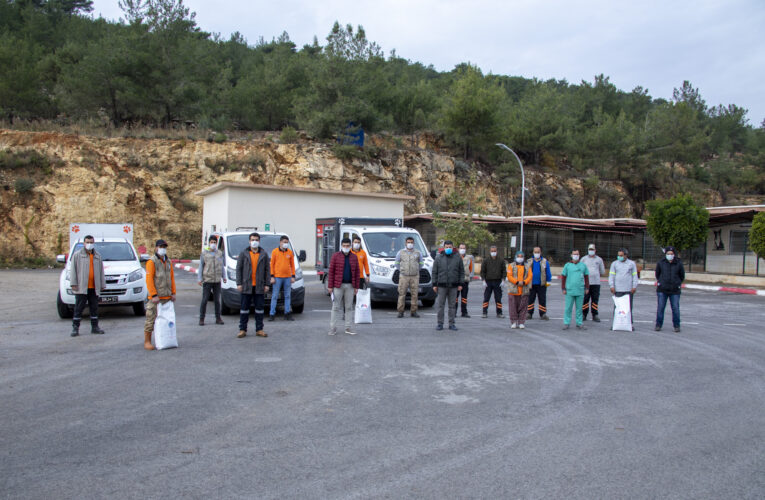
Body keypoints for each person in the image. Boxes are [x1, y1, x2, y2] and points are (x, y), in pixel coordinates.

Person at [70, 234, 106, 337]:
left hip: (94, 287)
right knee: (79, 308)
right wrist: (73, 283)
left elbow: (101, 271)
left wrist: (102, 284)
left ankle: (95, 327)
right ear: (84, 243)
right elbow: (73, 271)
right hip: (82, 287)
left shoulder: (97, 256)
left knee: (94, 308)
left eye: (91, 242)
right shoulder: (77, 255)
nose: (89, 244)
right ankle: (75, 328)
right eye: (87, 242)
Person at [236, 232, 271, 339]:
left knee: (260, 309)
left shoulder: (264, 254)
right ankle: (242, 330)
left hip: (259, 286)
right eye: (252, 240)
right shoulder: (243, 253)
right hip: (246, 286)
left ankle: (259, 329)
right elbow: (239, 269)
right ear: (249, 241)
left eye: (256, 240)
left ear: (259, 241)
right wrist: (239, 283)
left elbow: (267, 270)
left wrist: (267, 284)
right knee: (244, 309)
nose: (254, 242)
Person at [144, 239, 176, 350]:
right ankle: (147, 341)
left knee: (167, 321)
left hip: (167, 297)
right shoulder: (152, 262)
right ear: (156, 248)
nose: (163, 249)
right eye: (161, 246)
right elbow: (149, 280)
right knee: (151, 319)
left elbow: (171, 278)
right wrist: (153, 295)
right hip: (156, 298)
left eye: (164, 247)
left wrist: (173, 292)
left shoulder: (168, 262)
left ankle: (165, 339)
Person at [327, 238, 360, 335]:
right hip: (338, 286)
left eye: (347, 246)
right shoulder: (335, 256)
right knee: (335, 307)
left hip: (350, 285)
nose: (346, 247)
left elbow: (357, 273)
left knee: (349, 307)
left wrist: (356, 287)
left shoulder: (354, 257)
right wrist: (330, 286)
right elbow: (331, 271)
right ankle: (333, 328)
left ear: (350, 246)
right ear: (341, 246)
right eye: (344, 245)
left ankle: (348, 328)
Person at [432, 240, 463, 331]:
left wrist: (460, 283)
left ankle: (451, 324)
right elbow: (434, 272)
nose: (448, 249)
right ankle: (440, 323)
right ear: (444, 247)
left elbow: (461, 272)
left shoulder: (457, 257)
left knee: (452, 306)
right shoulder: (438, 258)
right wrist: (434, 284)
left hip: (453, 286)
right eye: (447, 247)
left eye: (450, 247)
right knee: (440, 305)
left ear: (453, 247)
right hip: (441, 286)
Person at [654, 246, 685, 332]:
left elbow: (682, 275)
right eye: (668, 254)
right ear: (665, 254)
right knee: (660, 308)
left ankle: (676, 325)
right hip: (662, 290)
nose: (670, 255)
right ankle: (658, 325)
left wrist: (677, 283)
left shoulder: (678, 263)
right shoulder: (661, 263)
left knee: (675, 308)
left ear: (674, 254)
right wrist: (662, 282)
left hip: (675, 290)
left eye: (671, 254)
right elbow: (657, 274)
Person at [197, 235, 226, 326]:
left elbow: (221, 266)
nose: (213, 244)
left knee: (217, 300)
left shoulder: (219, 253)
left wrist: (224, 276)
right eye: (212, 242)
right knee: (205, 300)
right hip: (207, 279)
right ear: (209, 243)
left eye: (215, 242)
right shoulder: (204, 253)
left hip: (217, 280)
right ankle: (202, 318)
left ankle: (218, 318)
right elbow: (201, 266)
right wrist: (200, 278)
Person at [609, 248, 639, 331]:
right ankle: (615, 323)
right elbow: (611, 276)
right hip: (617, 289)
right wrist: (611, 286)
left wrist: (634, 286)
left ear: (626, 255)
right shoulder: (614, 264)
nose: (619, 257)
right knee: (617, 308)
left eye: (621, 255)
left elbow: (634, 276)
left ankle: (629, 324)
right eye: (618, 255)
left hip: (628, 290)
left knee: (628, 308)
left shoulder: (631, 264)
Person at [394, 236, 424, 318]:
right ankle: (400, 311)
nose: (410, 244)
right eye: (408, 242)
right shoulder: (400, 252)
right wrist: (402, 270)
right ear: (405, 243)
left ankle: (413, 311)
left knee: (415, 294)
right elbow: (396, 263)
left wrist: (417, 270)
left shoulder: (418, 253)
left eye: (411, 242)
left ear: (414, 243)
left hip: (415, 276)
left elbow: (421, 263)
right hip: (404, 276)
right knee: (402, 294)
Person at [561, 249, 590, 330]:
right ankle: (566, 323)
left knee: (579, 308)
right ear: (571, 255)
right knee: (568, 308)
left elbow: (586, 277)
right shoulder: (567, 265)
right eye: (574, 254)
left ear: (579, 255)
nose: (576, 256)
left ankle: (579, 323)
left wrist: (587, 287)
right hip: (569, 290)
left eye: (577, 254)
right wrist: (563, 288)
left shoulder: (583, 265)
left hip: (580, 290)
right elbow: (563, 277)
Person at [269, 235, 295, 322]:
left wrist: (293, 276)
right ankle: (272, 314)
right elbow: (272, 265)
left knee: (287, 296)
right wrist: (272, 276)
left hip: (287, 277)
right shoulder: (275, 252)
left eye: (287, 242)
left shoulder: (290, 252)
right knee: (275, 296)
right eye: (284, 242)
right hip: (277, 277)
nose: (285, 244)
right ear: (280, 242)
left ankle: (287, 313)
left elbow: (292, 265)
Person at [580, 243, 606, 322]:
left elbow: (602, 271)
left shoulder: (599, 260)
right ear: (588, 250)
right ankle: (584, 314)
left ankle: (595, 315)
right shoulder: (583, 259)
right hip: (586, 283)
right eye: (589, 249)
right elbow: (580, 270)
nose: (591, 251)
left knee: (595, 299)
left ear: (595, 250)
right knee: (585, 299)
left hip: (596, 283)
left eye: (592, 249)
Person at [507, 251, 532, 329]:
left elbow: (530, 275)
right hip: (513, 290)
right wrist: (517, 282)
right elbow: (509, 276)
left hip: (524, 290)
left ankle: (521, 322)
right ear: (515, 257)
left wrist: (524, 282)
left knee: (523, 307)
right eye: (519, 256)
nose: (520, 258)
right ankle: (514, 322)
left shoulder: (527, 266)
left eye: (522, 256)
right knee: (512, 307)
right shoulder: (511, 266)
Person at [527, 247, 552, 320]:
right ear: (533, 252)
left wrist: (548, 280)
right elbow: (525, 272)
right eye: (535, 252)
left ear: (540, 252)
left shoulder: (544, 261)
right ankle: (529, 313)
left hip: (542, 284)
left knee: (542, 299)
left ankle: (543, 314)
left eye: (538, 252)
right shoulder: (529, 261)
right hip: (531, 284)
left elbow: (548, 272)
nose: (536, 253)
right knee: (530, 299)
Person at [480, 245, 505, 318]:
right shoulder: (486, 260)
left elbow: (504, 271)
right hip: (488, 282)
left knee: (498, 298)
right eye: (492, 251)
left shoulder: (501, 260)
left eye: (494, 251)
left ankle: (499, 313)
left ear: (497, 251)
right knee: (486, 298)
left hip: (498, 282)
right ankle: (484, 312)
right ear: (489, 251)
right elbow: (482, 271)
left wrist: (503, 280)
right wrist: (483, 280)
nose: (493, 252)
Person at [456, 243, 474, 318]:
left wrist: (469, 276)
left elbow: (470, 269)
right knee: (455, 298)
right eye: (461, 248)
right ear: (458, 249)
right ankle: (454, 312)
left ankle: (464, 312)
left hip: (465, 280)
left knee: (464, 298)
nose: (462, 250)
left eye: (463, 248)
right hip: (456, 281)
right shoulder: (455, 257)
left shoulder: (469, 258)